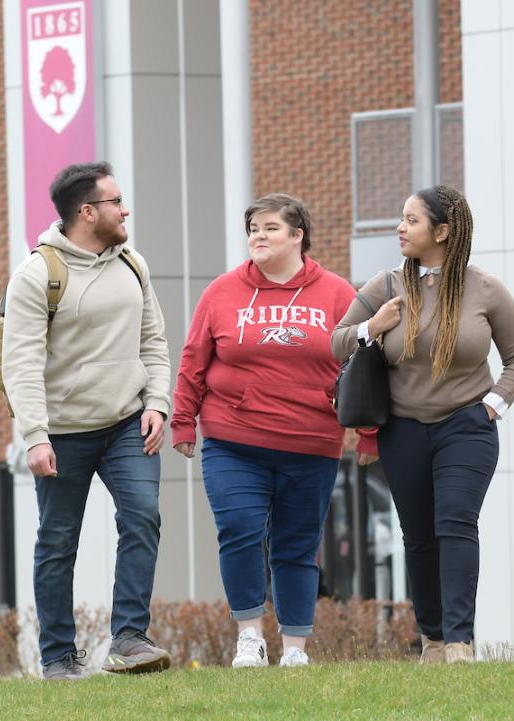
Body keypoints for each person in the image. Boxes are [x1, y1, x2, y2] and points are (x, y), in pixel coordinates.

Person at [331, 185, 514, 664]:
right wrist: (372, 327)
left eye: (411, 220)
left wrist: (493, 405)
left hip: (467, 426)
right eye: (401, 219)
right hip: (403, 430)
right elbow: (337, 342)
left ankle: (460, 642)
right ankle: (434, 641)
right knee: (418, 535)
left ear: (443, 231)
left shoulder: (485, 289)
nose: (400, 228)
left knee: (456, 523)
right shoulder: (385, 286)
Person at [1, 162, 172, 680]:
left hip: (126, 422)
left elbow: (154, 341)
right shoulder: (37, 275)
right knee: (58, 541)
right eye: (116, 201)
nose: (126, 210)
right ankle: (58, 657)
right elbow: (21, 362)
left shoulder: (133, 265)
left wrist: (157, 403)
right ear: (87, 212)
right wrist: (35, 436)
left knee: (142, 517)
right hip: (63, 431)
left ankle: (129, 640)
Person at [171, 193, 356, 668]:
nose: (258, 235)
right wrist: (183, 420)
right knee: (240, 530)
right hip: (234, 440)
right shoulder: (222, 292)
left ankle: (295, 648)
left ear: (298, 235)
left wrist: (369, 432)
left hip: (310, 441)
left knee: (298, 545)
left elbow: (364, 368)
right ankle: (249, 635)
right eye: (253, 227)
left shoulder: (336, 294)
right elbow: (194, 360)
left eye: (271, 227)